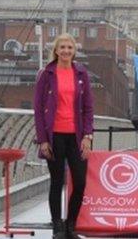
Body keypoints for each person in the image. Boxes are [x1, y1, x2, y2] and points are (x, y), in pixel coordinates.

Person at [34, 33, 94, 239]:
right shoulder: (46, 74)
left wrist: (88, 136)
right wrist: (43, 140)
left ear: (74, 51)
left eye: (70, 47)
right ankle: (58, 227)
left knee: (80, 182)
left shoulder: (81, 74)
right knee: (56, 182)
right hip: (54, 136)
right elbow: (38, 109)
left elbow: (88, 108)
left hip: (76, 137)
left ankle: (71, 225)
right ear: (56, 50)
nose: (66, 51)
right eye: (63, 48)